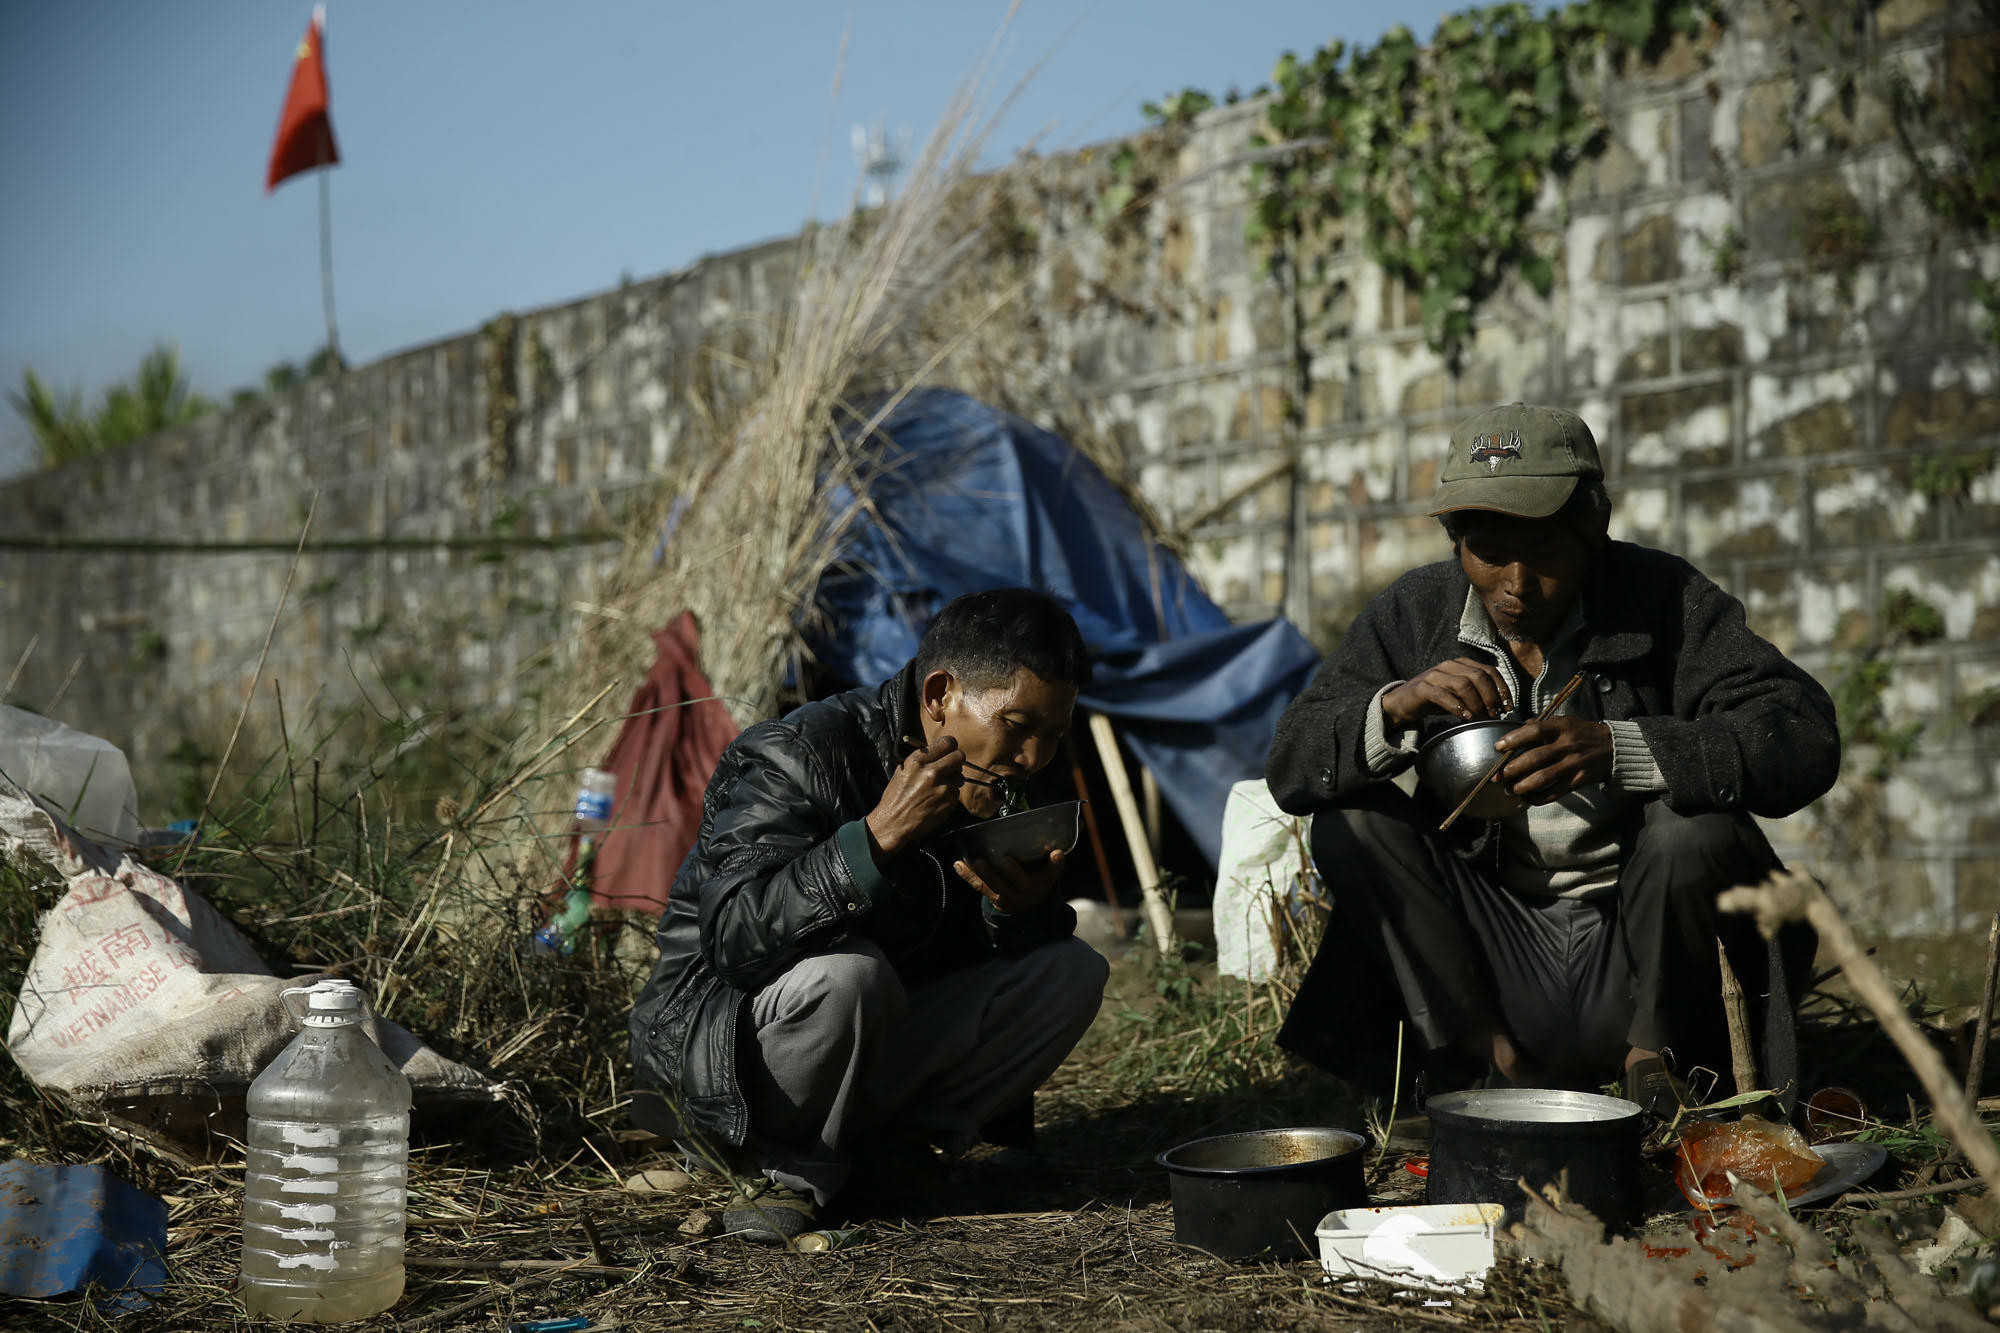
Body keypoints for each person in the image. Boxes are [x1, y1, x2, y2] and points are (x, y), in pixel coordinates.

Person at [1266, 403, 1838, 1108]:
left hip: (1644, 961)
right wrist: (1394, 707)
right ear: (1456, 543)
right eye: (1488, 552)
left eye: (1544, 553)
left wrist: (1623, 748)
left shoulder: (1665, 601)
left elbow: (1801, 734)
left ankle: (1654, 1065)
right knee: (1350, 824)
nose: (1516, 582)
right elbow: (1291, 763)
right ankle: (1491, 1063)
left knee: (1694, 833)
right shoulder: (1415, 613)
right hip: (1492, 967)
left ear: (1594, 530)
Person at [628, 587, 1108, 1243]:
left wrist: (1019, 911)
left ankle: (891, 1153)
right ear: (939, 695)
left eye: (1052, 735)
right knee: (850, 974)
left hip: (869, 1043)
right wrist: (875, 839)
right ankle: (782, 1169)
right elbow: (732, 939)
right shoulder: (798, 753)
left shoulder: (1005, 771)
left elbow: (963, 955)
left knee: (1070, 970)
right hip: (729, 1061)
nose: (1032, 756)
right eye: (1018, 725)